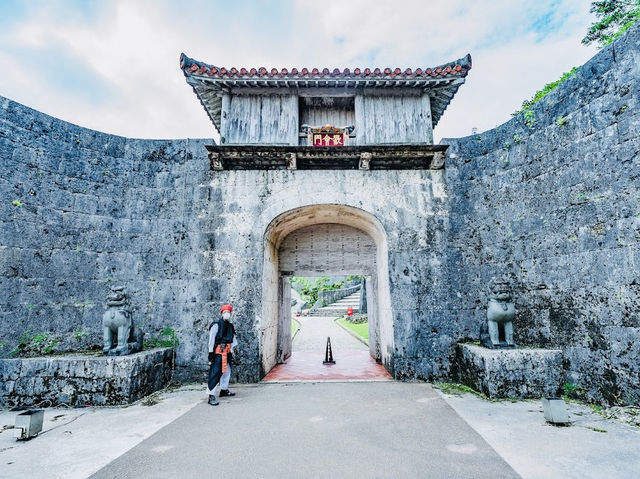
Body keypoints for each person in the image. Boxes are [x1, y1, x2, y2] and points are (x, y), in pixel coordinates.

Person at [207, 304, 238, 406]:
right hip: (218, 352)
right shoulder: (216, 325)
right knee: (216, 372)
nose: (226, 314)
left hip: (227, 351)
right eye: (224, 312)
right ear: (221, 313)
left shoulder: (230, 326)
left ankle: (224, 390)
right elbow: (212, 340)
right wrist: (210, 352)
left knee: (227, 371)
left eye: (228, 312)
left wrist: (233, 351)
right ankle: (211, 395)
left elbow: (233, 340)